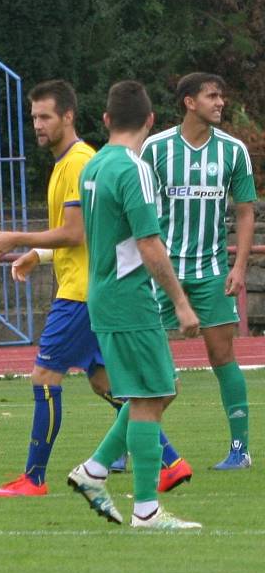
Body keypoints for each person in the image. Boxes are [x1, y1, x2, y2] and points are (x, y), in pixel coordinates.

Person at [0, 80, 190, 497]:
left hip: (83, 293)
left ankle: (35, 478)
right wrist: (40, 257)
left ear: (70, 116)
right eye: (34, 117)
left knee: (45, 377)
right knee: (113, 384)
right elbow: (94, 232)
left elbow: (79, 233)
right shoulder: (77, 163)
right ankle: (165, 463)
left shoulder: (83, 162)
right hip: (102, 293)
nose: (37, 125)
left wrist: (21, 240)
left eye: (45, 116)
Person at [68, 80, 202, 529]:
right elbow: (148, 243)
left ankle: (94, 470)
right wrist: (180, 303)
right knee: (151, 395)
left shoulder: (94, 165)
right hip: (128, 296)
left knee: (159, 390)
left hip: (103, 292)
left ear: (106, 120)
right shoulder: (133, 168)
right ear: (150, 121)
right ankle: (146, 510)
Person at [141, 72, 256, 469]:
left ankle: (240, 451)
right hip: (162, 271)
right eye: (212, 96)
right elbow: (137, 208)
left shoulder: (233, 150)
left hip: (211, 270)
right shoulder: (155, 149)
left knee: (222, 355)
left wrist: (239, 266)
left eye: (221, 96)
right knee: (148, 361)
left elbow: (244, 211)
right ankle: (128, 445)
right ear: (189, 102)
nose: (220, 102)